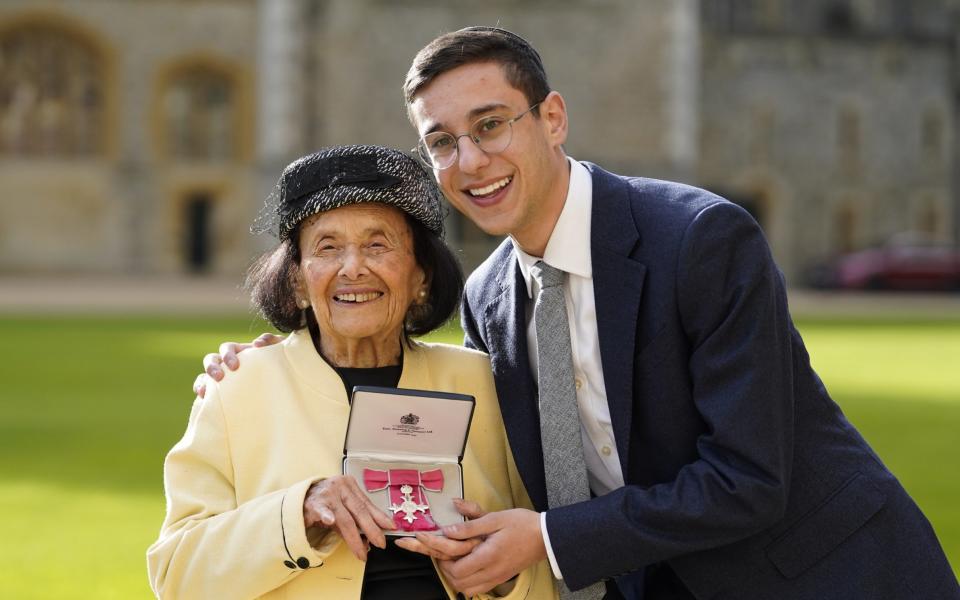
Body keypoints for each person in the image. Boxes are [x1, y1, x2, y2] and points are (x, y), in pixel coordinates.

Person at [195, 28, 960, 600]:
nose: (472, 161)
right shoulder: (490, 302)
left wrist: (550, 540)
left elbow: (750, 480)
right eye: (442, 142)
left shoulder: (698, 238)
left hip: (825, 577)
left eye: (492, 124)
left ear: (552, 119)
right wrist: (272, 357)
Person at [148, 144, 557, 600]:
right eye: (327, 248)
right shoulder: (238, 387)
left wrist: (502, 578)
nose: (353, 267)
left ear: (421, 276)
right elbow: (177, 576)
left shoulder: (488, 384)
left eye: (377, 245)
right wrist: (298, 511)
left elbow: (547, 557)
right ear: (298, 280)